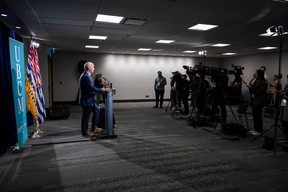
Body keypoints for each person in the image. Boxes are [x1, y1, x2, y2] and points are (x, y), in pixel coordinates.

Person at [79, 62, 110, 137]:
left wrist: (97, 91)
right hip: (86, 99)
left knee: (97, 110)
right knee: (86, 116)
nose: (94, 68)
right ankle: (84, 132)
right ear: (89, 68)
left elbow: (89, 88)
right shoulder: (86, 76)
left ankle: (94, 128)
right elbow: (91, 88)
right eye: (93, 67)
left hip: (90, 98)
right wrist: (103, 89)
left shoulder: (87, 75)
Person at [249, 69, 268, 136]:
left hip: (259, 101)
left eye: (256, 73)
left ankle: (259, 130)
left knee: (258, 116)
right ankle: (255, 129)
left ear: (259, 74)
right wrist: (251, 88)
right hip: (255, 100)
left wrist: (253, 88)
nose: (255, 74)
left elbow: (261, 92)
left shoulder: (262, 82)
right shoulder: (257, 80)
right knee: (255, 115)